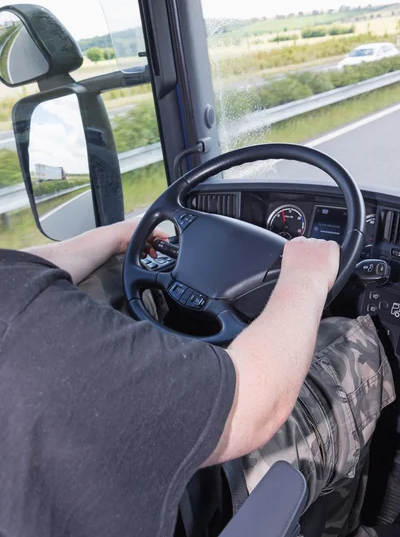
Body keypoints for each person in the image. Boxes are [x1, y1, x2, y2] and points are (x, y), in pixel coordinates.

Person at [0, 218, 395, 537]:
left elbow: (21, 269)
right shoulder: (29, 330)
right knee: (350, 346)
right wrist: (307, 275)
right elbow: (253, 404)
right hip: (193, 505)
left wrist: (123, 235)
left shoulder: (17, 301)